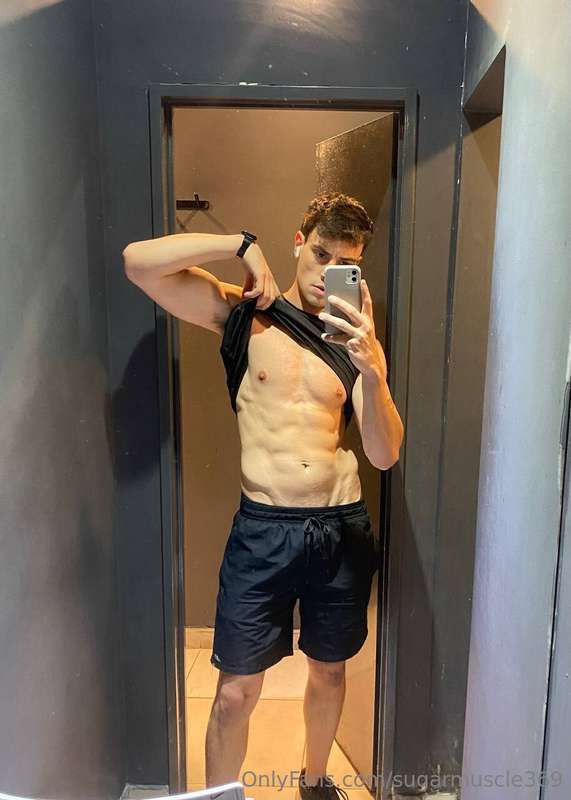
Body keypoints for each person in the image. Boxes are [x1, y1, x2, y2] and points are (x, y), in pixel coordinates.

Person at [123, 192, 404, 799]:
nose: (327, 273)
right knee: (235, 693)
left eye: (346, 263)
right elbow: (138, 263)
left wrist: (374, 368)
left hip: (340, 526)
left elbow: (384, 454)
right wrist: (239, 246)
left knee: (330, 672)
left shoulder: (354, 341)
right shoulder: (242, 315)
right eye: (321, 254)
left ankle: (315, 782)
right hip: (265, 529)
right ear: (299, 242)